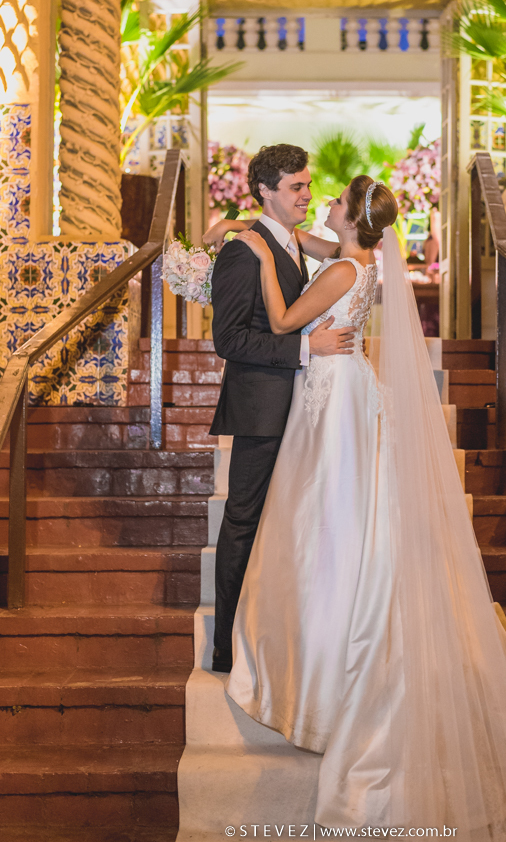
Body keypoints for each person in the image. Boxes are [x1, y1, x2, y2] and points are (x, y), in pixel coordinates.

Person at [220, 174, 506, 837]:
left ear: (352, 217)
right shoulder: (364, 256)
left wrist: (264, 259)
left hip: (330, 388)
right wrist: (262, 228)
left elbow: (287, 321)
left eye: (334, 202)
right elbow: (317, 238)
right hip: (347, 388)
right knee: (344, 503)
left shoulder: (341, 270)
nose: (321, 203)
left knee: (326, 509)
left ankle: (331, 636)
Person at [207, 143, 355, 673]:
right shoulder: (243, 252)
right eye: (296, 187)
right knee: (244, 519)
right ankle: (226, 646)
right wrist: (303, 349)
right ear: (266, 190)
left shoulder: (290, 241)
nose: (307, 195)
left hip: (303, 407)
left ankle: (270, 634)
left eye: (308, 185)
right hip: (261, 408)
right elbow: (228, 340)